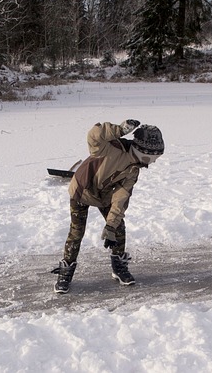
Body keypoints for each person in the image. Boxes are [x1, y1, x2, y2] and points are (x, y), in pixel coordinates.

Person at [52, 120, 165, 294]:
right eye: (154, 157)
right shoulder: (111, 148)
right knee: (76, 232)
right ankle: (66, 271)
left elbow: (120, 199)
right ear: (144, 151)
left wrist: (110, 225)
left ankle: (118, 266)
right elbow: (94, 136)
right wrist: (119, 130)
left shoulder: (133, 170)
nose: (154, 162)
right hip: (82, 191)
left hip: (103, 195)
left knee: (118, 227)